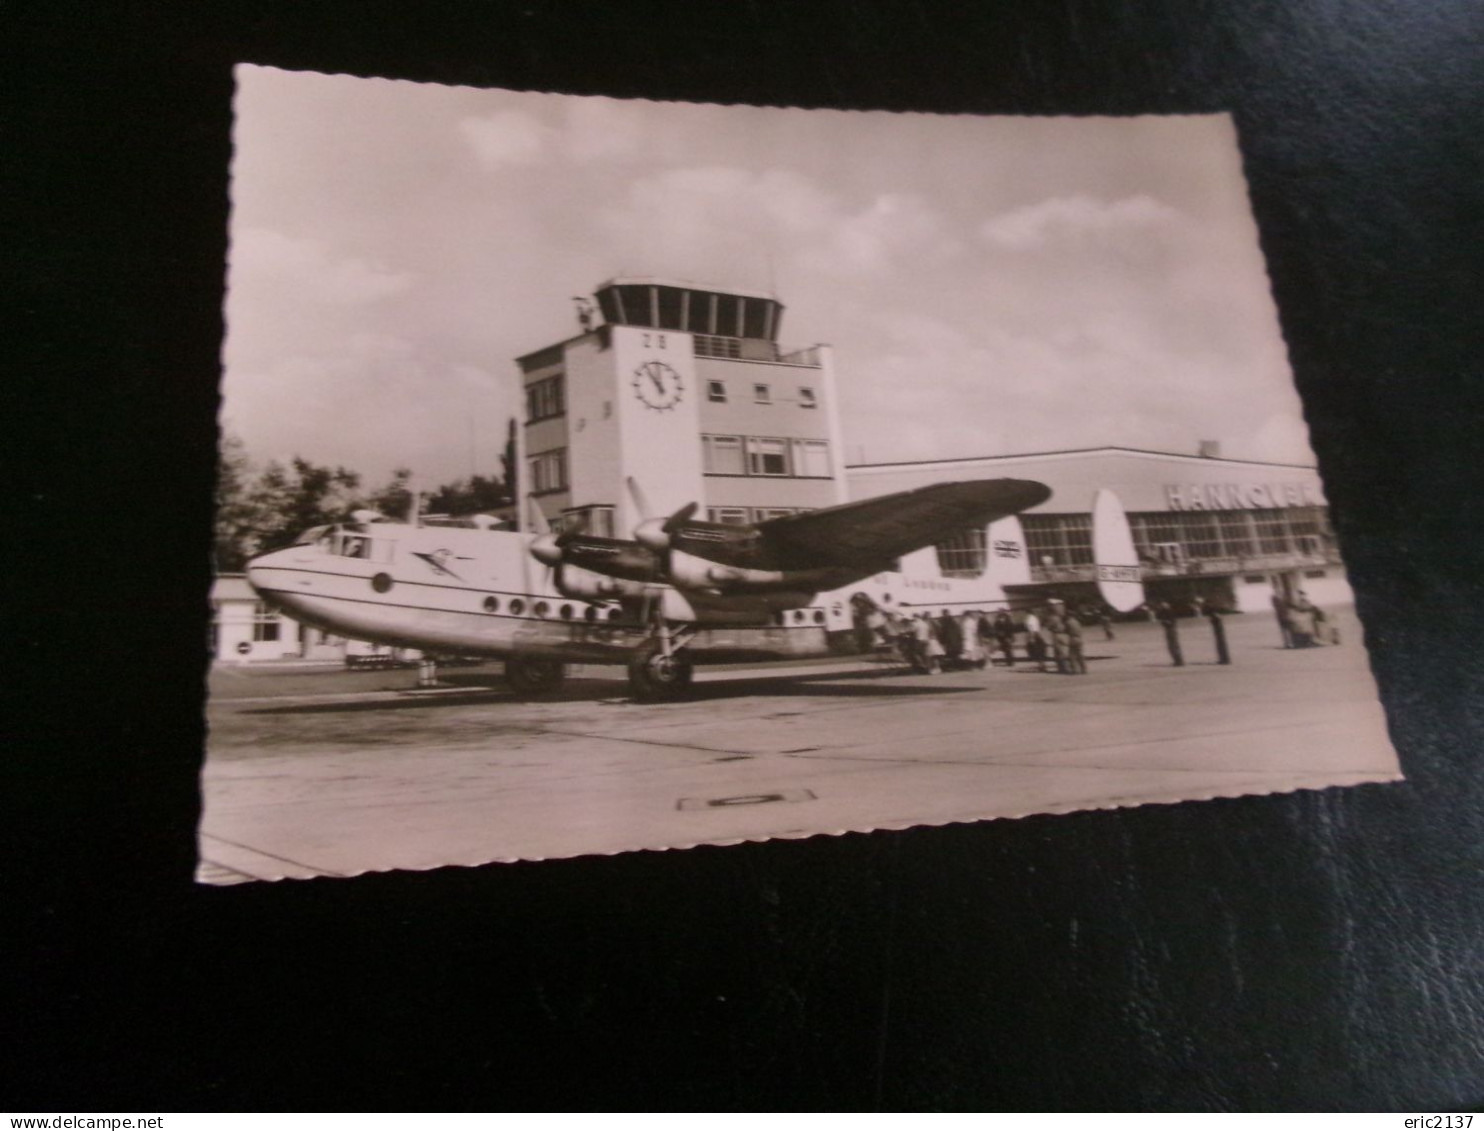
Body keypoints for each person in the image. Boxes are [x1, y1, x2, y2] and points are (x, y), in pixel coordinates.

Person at [1155, 601, 1184, 666]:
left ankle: (1178, 661)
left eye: (1163, 605)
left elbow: (1170, 622)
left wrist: (1164, 621)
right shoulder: (1166, 612)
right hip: (1170, 629)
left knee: (1173, 645)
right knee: (1173, 646)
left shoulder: (1169, 612)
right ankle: (1178, 660)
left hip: (1171, 629)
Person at [1044, 605, 1071, 674]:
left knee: (1058, 652)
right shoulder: (1059, 617)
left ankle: (1063, 668)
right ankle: (1066, 667)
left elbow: (1048, 626)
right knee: (1063, 650)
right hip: (1062, 634)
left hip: (1056, 634)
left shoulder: (1052, 618)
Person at [1022, 607, 1046, 672]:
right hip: (1037, 634)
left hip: (1033, 635)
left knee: (1036, 651)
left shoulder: (1030, 619)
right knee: (1039, 651)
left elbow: (1031, 629)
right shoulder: (1035, 618)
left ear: (1027, 613)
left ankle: (1041, 666)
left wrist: (1031, 638)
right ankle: (1041, 665)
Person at [1065, 606, 1088, 673]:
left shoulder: (1068, 622)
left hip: (1073, 639)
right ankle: (1084, 669)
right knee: (1080, 655)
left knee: (1072, 655)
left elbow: (1066, 630)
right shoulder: (1077, 622)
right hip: (1079, 638)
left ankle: (1075, 670)